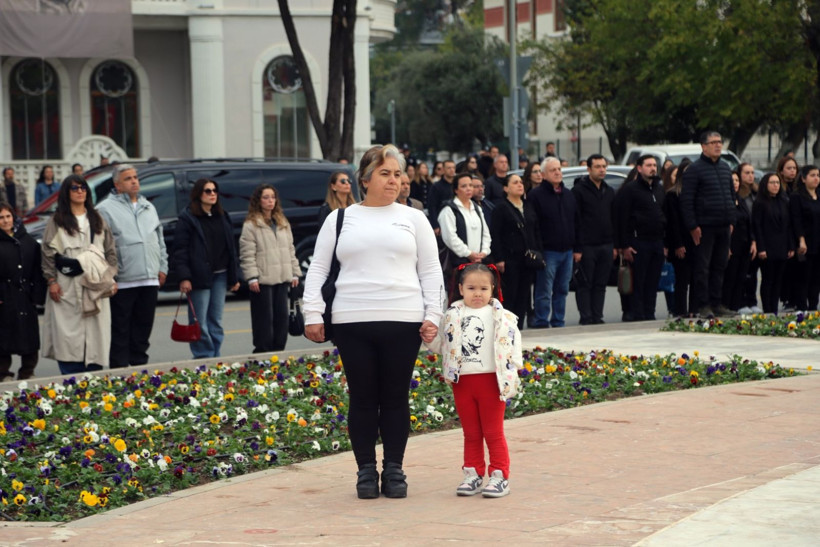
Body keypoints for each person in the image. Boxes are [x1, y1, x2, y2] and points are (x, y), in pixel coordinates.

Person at [302, 144, 443, 499]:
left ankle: (394, 469)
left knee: (395, 398)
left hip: (403, 321)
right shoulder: (340, 219)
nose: (394, 180)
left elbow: (431, 271)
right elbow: (317, 269)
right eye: (385, 173)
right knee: (363, 399)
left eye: (397, 174)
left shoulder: (414, 218)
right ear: (364, 180)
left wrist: (433, 315)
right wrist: (312, 313)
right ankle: (365, 470)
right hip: (352, 322)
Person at [427, 263, 522, 498]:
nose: (477, 294)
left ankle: (499, 475)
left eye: (483, 288)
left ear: (493, 289)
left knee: (493, 431)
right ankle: (473, 473)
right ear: (461, 289)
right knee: (471, 432)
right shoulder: (451, 315)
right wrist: (428, 338)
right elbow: (442, 345)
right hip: (463, 383)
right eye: (471, 288)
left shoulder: (503, 316)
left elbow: (514, 344)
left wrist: (514, 369)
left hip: (492, 382)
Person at [41, 175, 118, 374]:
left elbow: (110, 250)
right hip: (67, 284)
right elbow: (48, 253)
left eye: (83, 187)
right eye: (74, 188)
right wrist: (51, 281)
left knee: (97, 332)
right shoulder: (57, 221)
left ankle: (94, 375)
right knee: (67, 335)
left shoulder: (97, 218)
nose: (80, 191)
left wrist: (111, 277)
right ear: (66, 193)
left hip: (96, 284)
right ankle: (70, 376)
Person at [96, 164, 168, 368]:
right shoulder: (105, 209)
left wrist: (162, 267)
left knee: (143, 329)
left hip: (149, 278)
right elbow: (100, 246)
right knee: (120, 329)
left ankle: (139, 367)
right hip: (123, 280)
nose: (134, 181)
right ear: (117, 185)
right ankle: (119, 371)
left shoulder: (148, 207)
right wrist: (110, 276)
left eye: (135, 177)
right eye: (128, 178)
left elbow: (159, 239)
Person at [173, 178, 241, 358]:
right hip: (199, 276)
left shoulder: (222, 216)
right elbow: (180, 250)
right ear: (198, 194)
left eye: (215, 190)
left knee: (215, 320)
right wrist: (184, 277)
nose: (212, 194)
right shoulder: (188, 218)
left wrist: (234, 277)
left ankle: (215, 356)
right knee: (199, 320)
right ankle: (203, 356)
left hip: (221, 275)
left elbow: (231, 248)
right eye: (208, 191)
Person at [680, 131, 737, 318]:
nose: (718, 145)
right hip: (704, 226)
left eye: (720, 142)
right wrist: (692, 226)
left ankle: (716, 303)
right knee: (702, 268)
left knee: (720, 266)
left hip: (723, 225)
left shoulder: (725, 168)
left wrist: (732, 219)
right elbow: (687, 201)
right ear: (703, 146)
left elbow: (731, 195)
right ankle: (703, 305)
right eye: (713, 142)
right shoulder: (695, 170)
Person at [239, 184, 301, 353]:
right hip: (262, 279)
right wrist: (252, 276)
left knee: (281, 318)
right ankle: (263, 351)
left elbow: (290, 249)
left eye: (273, 197)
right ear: (258, 201)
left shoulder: (282, 222)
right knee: (264, 318)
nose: (270, 201)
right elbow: (247, 253)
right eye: (266, 197)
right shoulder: (251, 224)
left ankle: (279, 350)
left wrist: (295, 272)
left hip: (282, 277)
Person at [614, 155, 666, 321]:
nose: (652, 168)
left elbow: (664, 215)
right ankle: (638, 314)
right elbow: (622, 219)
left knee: (653, 281)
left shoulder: (659, 189)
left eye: (654, 165)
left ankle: (650, 313)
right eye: (648, 165)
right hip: (638, 243)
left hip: (657, 242)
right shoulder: (630, 190)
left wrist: (666, 243)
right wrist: (624, 245)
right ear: (639, 168)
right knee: (638, 281)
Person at [528, 157, 577, 328]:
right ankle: (541, 321)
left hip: (567, 251)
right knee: (544, 291)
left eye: (559, 169)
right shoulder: (535, 196)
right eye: (552, 170)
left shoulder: (568, 194)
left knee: (562, 289)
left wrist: (576, 247)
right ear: (543, 174)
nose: (557, 172)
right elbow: (533, 225)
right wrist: (538, 250)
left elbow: (575, 221)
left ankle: (558, 321)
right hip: (548, 251)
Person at [491, 174, 541, 328]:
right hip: (510, 259)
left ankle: (518, 328)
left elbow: (536, 231)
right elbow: (495, 234)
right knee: (510, 294)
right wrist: (499, 258)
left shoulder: (528, 206)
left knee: (523, 295)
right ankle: (507, 328)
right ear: (506, 188)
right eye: (515, 183)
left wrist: (538, 252)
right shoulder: (501, 208)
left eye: (521, 182)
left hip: (527, 259)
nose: (520, 185)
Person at [0, 204, 44, 381]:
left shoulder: (28, 241)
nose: (5, 221)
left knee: (29, 335)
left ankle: (27, 371)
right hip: (4, 295)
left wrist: (37, 295)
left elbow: (37, 270)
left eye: (8, 216)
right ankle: (3, 373)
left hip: (25, 295)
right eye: (1, 218)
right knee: (3, 335)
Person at [572, 154, 616, 325]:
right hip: (587, 246)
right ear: (589, 169)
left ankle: (597, 316)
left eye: (604, 166)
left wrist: (615, 245)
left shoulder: (609, 190)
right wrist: (578, 248)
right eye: (598, 167)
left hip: (606, 244)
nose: (602, 170)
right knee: (585, 283)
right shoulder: (579, 191)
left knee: (601, 283)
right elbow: (576, 220)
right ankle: (586, 317)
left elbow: (614, 218)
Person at [438, 172, 492, 298]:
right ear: (456, 190)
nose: (468, 189)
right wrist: (468, 253)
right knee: (459, 299)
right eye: (464, 186)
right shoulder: (449, 210)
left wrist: (483, 252)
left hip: (478, 263)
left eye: (470, 185)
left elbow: (486, 234)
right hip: (458, 264)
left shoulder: (477, 208)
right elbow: (450, 238)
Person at [753, 173, 794, 315]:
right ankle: (767, 310)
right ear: (765, 185)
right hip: (767, 247)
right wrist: (761, 248)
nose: (775, 185)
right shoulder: (760, 203)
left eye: (777, 182)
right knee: (768, 279)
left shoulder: (784, 201)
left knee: (778, 280)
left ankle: (774, 310)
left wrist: (791, 246)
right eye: (772, 183)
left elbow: (788, 225)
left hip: (782, 246)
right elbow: (757, 226)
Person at [663, 158, 697, 318]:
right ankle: (680, 310)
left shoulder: (698, 193)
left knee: (696, 278)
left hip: (696, 241)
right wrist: (678, 244)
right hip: (681, 242)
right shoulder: (672, 195)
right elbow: (673, 223)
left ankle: (694, 309)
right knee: (682, 279)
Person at [721, 171, 756, 312]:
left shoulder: (740, 200)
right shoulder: (724, 201)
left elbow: (749, 222)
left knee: (741, 278)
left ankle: (736, 307)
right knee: (730, 277)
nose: (735, 183)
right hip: (731, 245)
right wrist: (726, 246)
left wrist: (753, 241)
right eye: (732, 180)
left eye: (736, 180)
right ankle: (726, 306)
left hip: (744, 245)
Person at [789, 165, 820, 311]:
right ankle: (801, 307)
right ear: (803, 178)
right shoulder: (797, 196)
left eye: (818, 175)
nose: (816, 178)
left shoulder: (818, 195)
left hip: (818, 241)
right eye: (812, 175)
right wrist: (801, 240)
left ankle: (813, 307)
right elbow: (796, 220)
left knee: (816, 277)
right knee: (803, 277)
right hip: (805, 243)